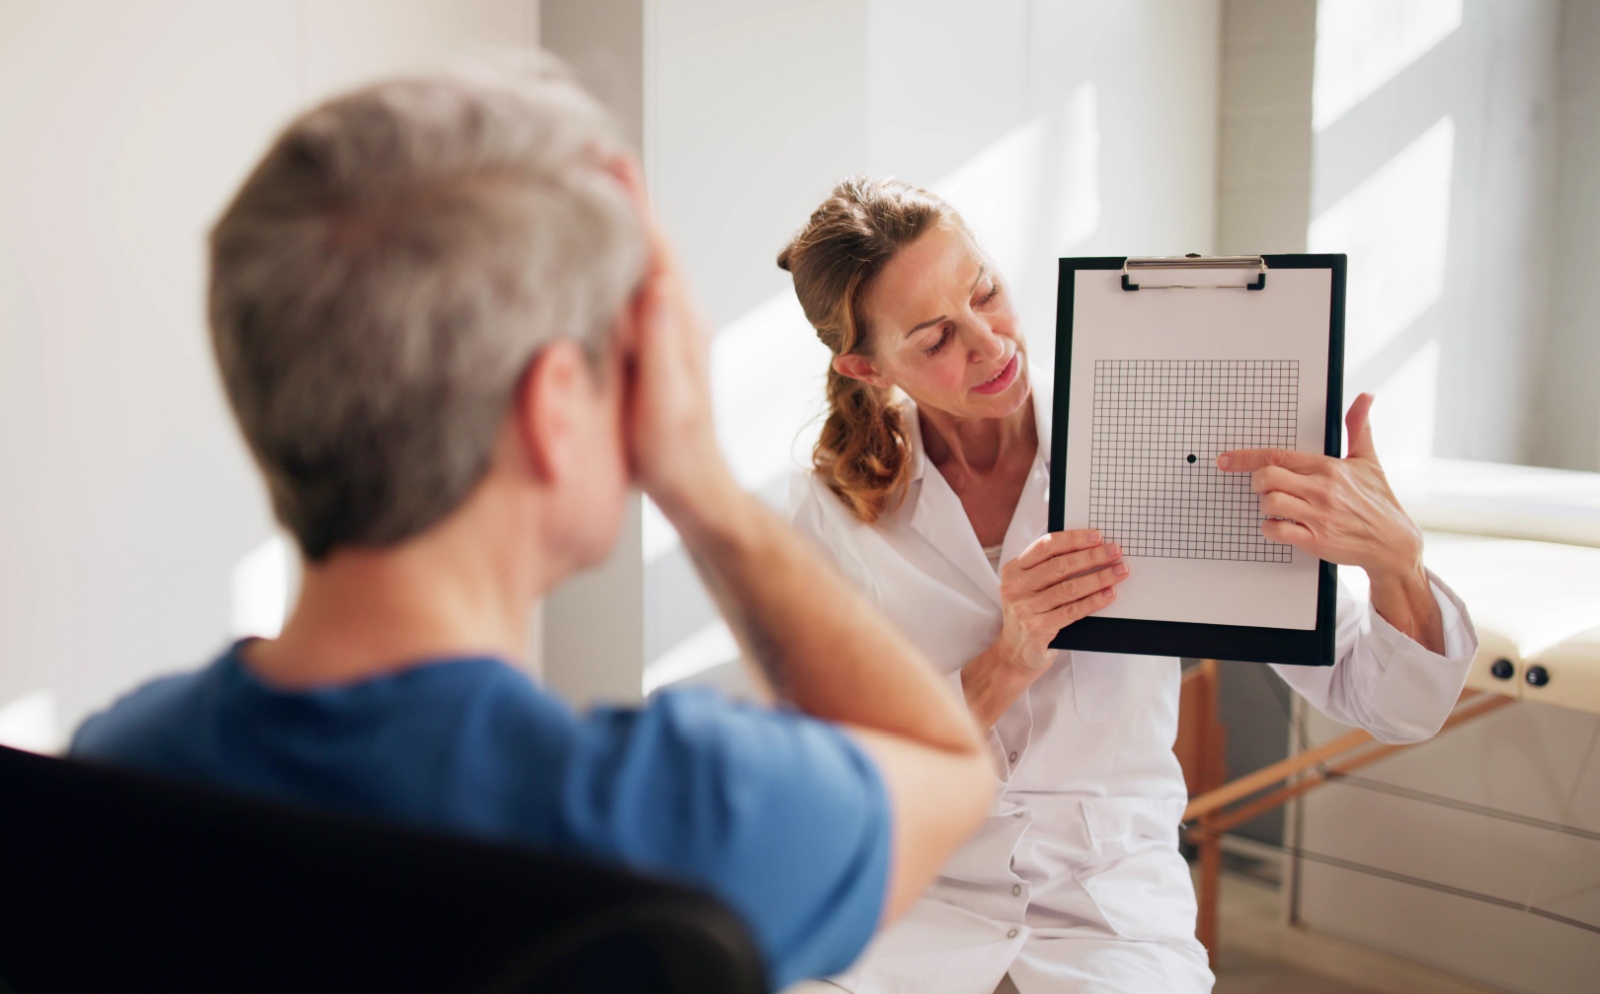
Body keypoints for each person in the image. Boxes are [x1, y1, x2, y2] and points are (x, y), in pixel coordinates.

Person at [69, 57, 996, 992]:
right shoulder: (681, 821)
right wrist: (700, 482)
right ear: (555, 406)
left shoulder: (117, 769)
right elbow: (945, 767)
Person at [778, 177, 1480, 994]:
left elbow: (1390, 704)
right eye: (935, 337)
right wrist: (1002, 665)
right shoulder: (830, 509)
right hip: (910, 905)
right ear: (866, 365)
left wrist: (1394, 560)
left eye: (987, 293)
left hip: (1104, 910)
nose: (991, 344)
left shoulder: (1161, 445)